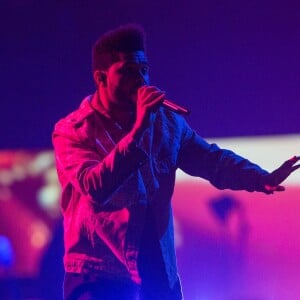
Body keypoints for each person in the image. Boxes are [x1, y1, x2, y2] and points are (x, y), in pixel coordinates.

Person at [52, 24, 299, 300]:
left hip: (157, 272)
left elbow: (211, 160)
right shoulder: (73, 130)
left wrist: (260, 177)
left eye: (144, 69)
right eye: (128, 71)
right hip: (99, 274)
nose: (141, 80)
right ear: (101, 78)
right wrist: (139, 130)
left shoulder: (167, 123)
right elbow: (95, 186)